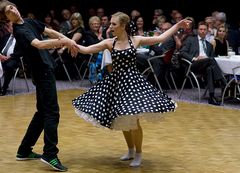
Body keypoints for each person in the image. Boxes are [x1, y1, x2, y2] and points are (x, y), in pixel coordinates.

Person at [71, 12, 190, 167]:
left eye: (114, 24)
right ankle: (130, 150)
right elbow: (86, 49)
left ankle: (139, 153)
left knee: (133, 119)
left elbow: (160, 38)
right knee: (122, 118)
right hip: (116, 84)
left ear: (123, 26)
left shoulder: (136, 40)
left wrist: (178, 25)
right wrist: (69, 43)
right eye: (111, 23)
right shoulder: (109, 42)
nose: (110, 26)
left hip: (132, 83)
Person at [0, 1, 78, 172]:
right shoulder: (20, 31)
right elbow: (39, 44)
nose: (13, 10)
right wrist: (64, 43)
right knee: (52, 113)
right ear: (6, 18)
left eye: (13, 6)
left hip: (45, 70)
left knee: (42, 113)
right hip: (41, 74)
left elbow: (48, 31)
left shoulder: (28, 21)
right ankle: (50, 154)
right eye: (8, 11)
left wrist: (68, 40)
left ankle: (24, 150)